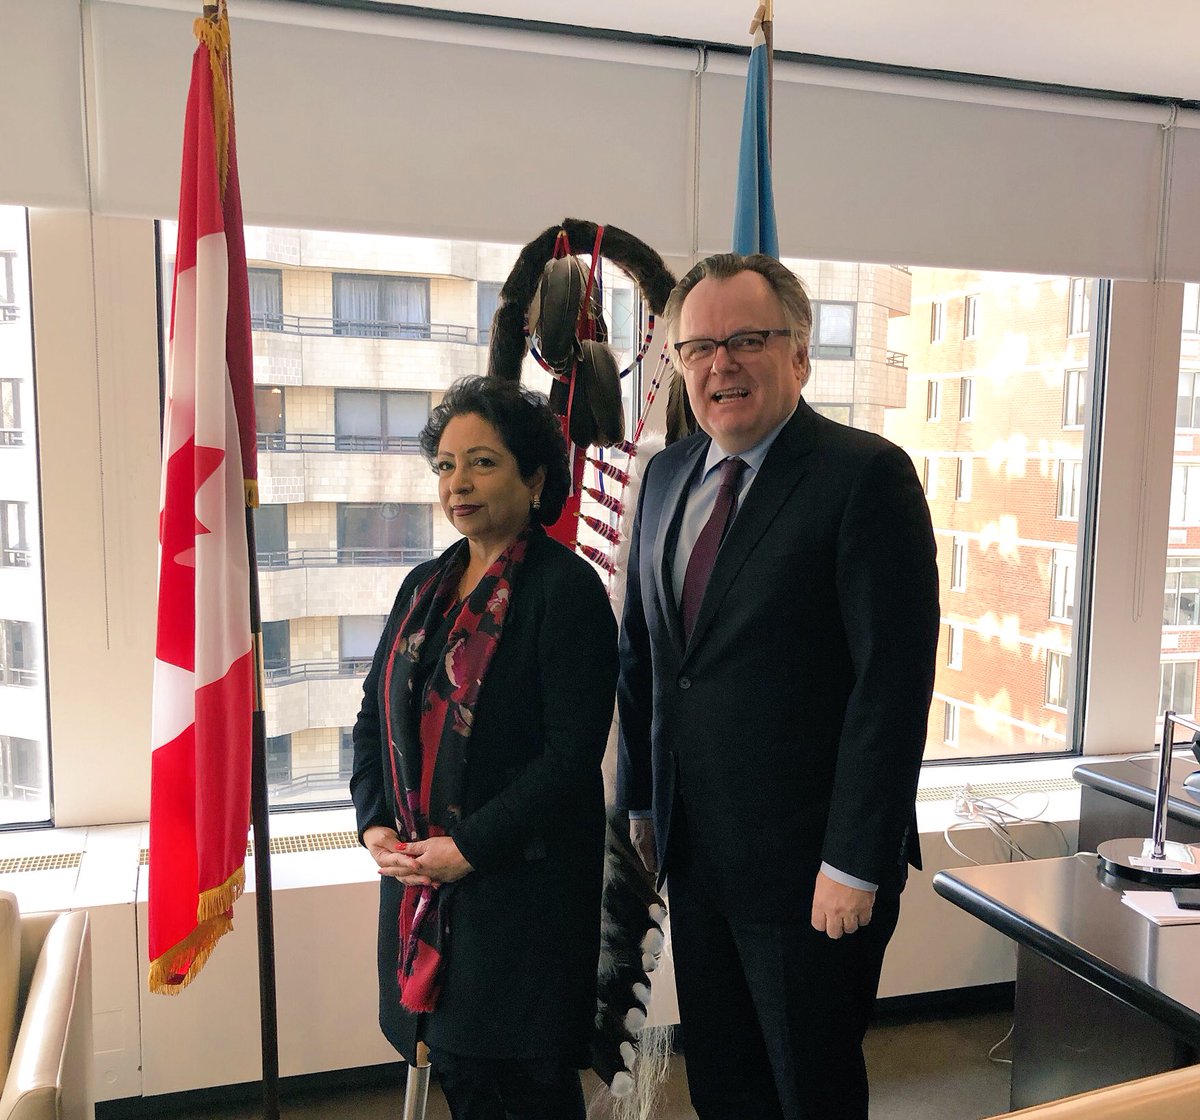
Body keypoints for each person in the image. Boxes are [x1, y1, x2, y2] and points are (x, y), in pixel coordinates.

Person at [616, 253, 940, 1120]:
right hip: (697, 857)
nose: (720, 364)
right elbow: (647, 656)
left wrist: (854, 860)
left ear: (799, 353)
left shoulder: (864, 477)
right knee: (726, 1084)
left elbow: (891, 686)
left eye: (747, 340)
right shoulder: (666, 476)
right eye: (698, 347)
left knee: (811, 1091)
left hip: (813, 872)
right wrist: (641, 804)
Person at [351, 375, 618, 1120]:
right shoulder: (423, 586)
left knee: (524, 1096)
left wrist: (467, 848)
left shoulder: (567, 592)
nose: (457, 483)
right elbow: (373, 715)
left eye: (482, 462)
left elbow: (570, 759)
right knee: (463, 1085)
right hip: (420, 887)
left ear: (534, 480)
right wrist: (374, 823)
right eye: (445, 464)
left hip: (518, 904)